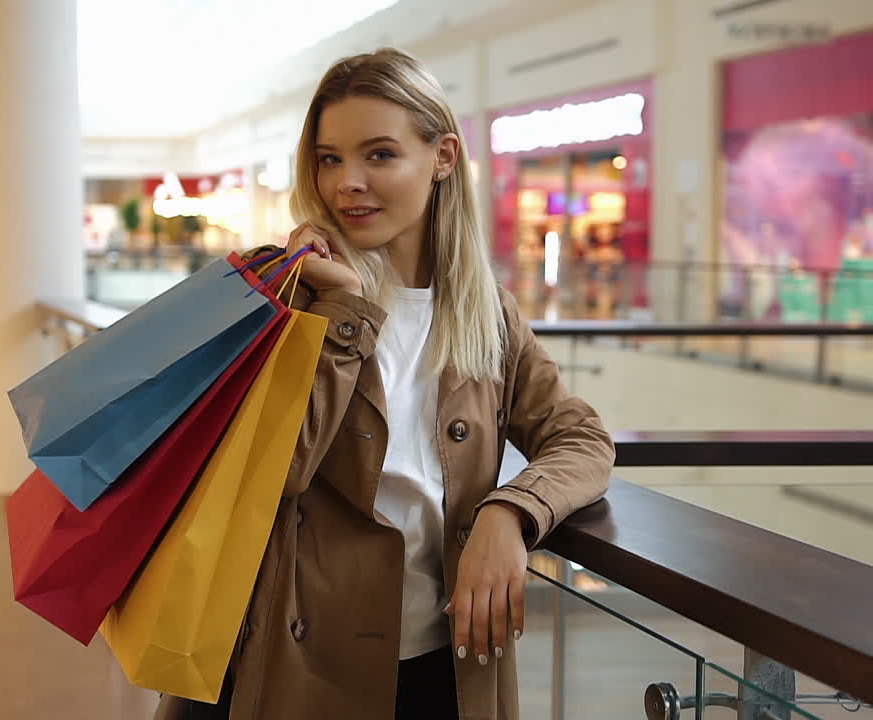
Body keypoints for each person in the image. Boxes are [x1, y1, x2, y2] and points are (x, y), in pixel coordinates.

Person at [158, 48, 614, 720]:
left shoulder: (484, 314)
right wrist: (341, 310)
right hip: (301, 666)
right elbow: (273, 469)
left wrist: (509, 512)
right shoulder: (291, 295)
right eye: (330, 158)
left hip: (447, 660)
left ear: (443, 158)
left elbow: (580, 436)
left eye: (378, 155)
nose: (348, 182)